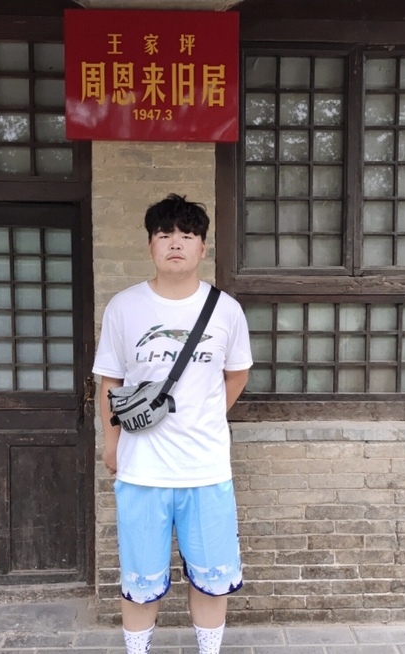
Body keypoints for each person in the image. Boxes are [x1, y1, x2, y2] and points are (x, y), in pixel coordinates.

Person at [92, 194, 253, 654]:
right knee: (140, 582)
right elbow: (111, 381)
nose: (176, 243)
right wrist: (111, 443)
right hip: (143, 469)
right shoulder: (125, 307)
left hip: (206, 470)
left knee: (212, 579)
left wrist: (206, 414)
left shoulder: (226, 310)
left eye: (187, 235)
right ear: (151, 246)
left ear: (203, 248)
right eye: (165, 235)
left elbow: (237, 373)